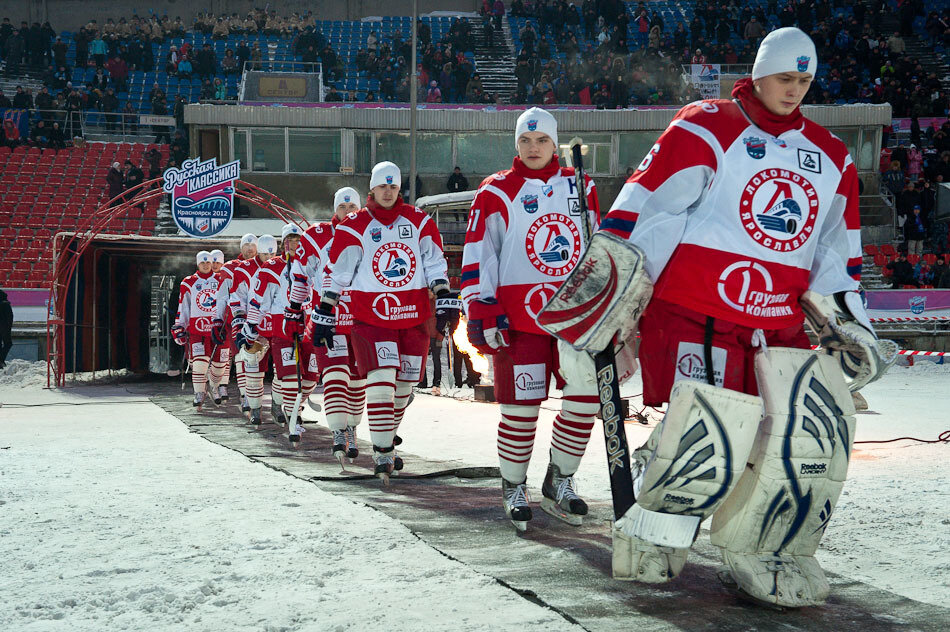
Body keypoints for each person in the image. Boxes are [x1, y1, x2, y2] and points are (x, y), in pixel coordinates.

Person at [537, 28, 895, 607]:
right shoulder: (708, 125)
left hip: (777, 325)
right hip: (698, 311)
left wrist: (847, 318)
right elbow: (647, 208)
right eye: (785, 77)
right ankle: (656, 537)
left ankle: (761, 548)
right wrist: (606, 295)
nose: (795, 90)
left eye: (805, 80)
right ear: (758, 73)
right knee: (706, 434)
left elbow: (836, 252)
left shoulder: (831, 156)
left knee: (793, 444)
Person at [461, 107, 602, 531]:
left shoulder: (581, 185)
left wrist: (606, 302)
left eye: (542, 141)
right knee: (521, 410)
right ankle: (513, 484)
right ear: (516, 144)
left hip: (574, 315)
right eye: (526, 141)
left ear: (554, 143)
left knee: (586, 398)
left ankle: (561, 477)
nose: (534, 148)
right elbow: (479, 254)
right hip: (519, 319)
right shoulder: (495, 191)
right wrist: (480, 307)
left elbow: (599, 247)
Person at [311, 161, 457, 482]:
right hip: (372, 318)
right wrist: (325, 309)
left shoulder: (418, 221)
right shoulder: (355, 225)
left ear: (398, 189)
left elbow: (434, 263)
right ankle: (382, 452)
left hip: (412, 318)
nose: (388, 192)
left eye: (393, 186)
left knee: (403, 389)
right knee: (381, 380)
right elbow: (339, 272)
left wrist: (444, 295)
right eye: (382, 186)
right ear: (372, 191)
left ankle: (386, 439)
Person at [286, 187, 367, 463]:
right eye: (343, 207)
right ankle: (338, 431)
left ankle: (352, 428)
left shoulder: (368, 229)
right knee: (334, 376)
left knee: (358, 380)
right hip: (327, 317)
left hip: (361, 316)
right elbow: (300, 275)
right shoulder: (316, 235)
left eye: (353, 207)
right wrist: (294, 308)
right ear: (335, 209)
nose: (348, 212)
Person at [240, 223, 316, 444]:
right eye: (290, 240)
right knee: (291, 375)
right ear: (283, 243)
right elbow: (258, 298)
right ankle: (294, 418)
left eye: (298, 239)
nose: (294, 244)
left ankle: (293, 406)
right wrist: (251, 325)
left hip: (311, 326)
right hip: (283, 329)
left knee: (312, 376)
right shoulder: (271, 267)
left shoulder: (314, 262)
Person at [230, 235, 279, 426]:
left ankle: (278, 404)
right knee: (254, 371)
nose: (269, 257)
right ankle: (255, 408)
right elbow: (236, 296)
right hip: (254, 326)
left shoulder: (283, 265)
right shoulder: (244, 268)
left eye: (272, 253)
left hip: (278, 325)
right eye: (265, 254)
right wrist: (240, 318)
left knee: (282, 370)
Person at [172, 251, 227, 409]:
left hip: (218, 329)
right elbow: (183, 306)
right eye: (202, 262)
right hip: (197, 329)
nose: (205, 265)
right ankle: (199, 393)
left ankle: (214, 386)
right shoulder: (188, 282)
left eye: (208, 262)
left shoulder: (221, 279)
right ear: (198, 264)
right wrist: (180, 325)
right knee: (200, 363)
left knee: (219, 365)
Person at [214, 234, 258, 413]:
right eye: (246, 245)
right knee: (241, 357)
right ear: (240, 248)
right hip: (238, 320)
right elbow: (222, 296)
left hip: (260, 320)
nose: (249, 249)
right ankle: (245, 395)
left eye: (252, 245)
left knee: (256, 360)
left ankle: (261, 397)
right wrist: (218, 320)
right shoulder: (231, 267)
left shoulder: (265, 264)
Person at [0, 289, 12, 369]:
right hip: (4, 328)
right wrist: (9, 327)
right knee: (8, 344)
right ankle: (1, 360)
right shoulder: (6, 305)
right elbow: (10, 318)